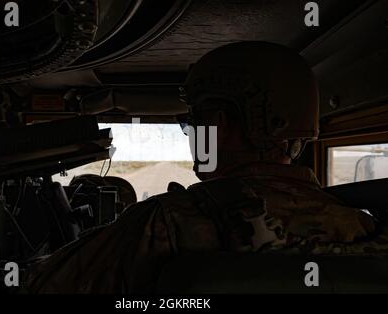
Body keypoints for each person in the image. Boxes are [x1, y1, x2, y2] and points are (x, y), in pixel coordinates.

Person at [25, 42, 376, 294]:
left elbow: (41, 285)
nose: (193, 136)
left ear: (217, 124)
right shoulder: (362, 224)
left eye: (194, 124)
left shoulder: (164, 221)